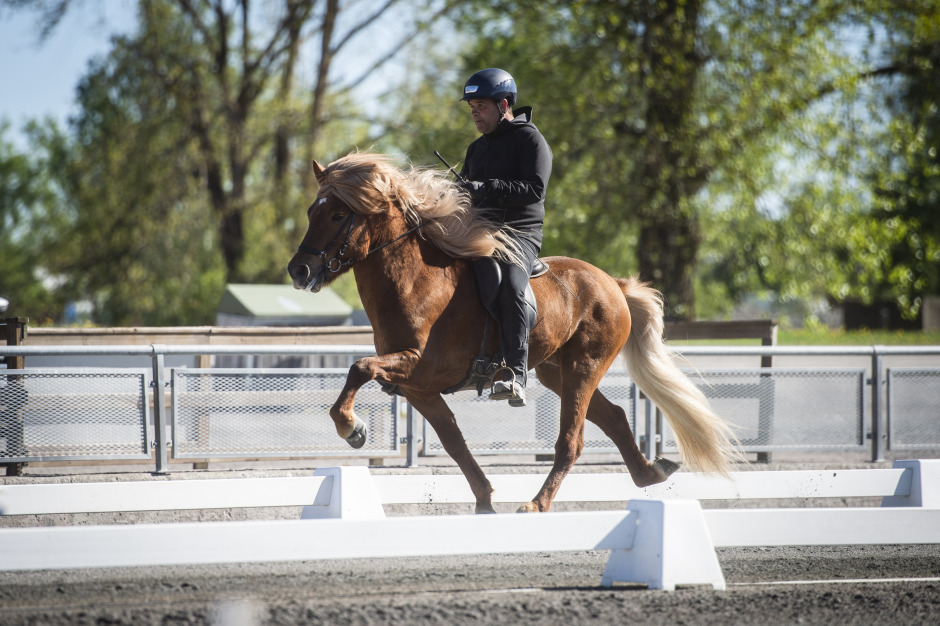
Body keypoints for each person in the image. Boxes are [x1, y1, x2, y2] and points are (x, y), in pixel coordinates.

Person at [458, 68, 552, 408]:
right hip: (480, 232)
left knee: (512, 286)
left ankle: (516, 372)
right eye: (471, 107)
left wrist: (488, 188)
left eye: (480, 106)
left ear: (502, 105)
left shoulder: (531, 140)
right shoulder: (475, 149)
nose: (474, 114)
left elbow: (535, 190)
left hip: (519, 232)